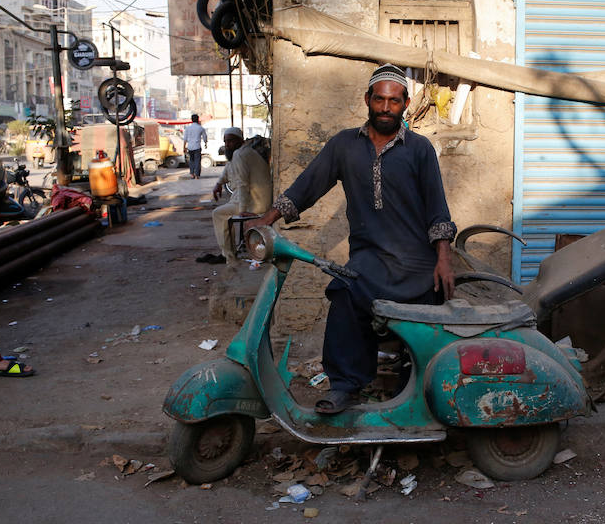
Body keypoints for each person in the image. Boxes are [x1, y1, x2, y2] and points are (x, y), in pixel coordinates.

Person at [248, 63, 456, 414]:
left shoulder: (420, 149)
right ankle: (345, 386)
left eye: (394, 101)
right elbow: (307, 186)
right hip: (369, 260)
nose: (386, 108)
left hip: (417, 263)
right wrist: (267, 220)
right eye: (379, 100)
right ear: (367, 100)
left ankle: (417, 392)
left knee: (426, 322)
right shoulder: (344, 145)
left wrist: (444, 259)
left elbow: (438, 208)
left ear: (405, 104)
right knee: (344, 294)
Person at [197, 128, 273, 265]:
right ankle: (228, 252)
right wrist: (219, 183)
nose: (227, 145)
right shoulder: (243, 152)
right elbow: (229, 169)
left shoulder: (240, 154)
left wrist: (243, 209)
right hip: (257, 199)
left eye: (231, 141)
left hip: (256, 203)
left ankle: (229, 257)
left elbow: (243, 184)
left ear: (240, 140)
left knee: (218, 214)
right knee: (224, 212)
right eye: (225, 142)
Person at [183, 114, 208, 179]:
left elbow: (185, 139)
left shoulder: (188, 128)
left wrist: (184, 147)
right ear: (198, 119)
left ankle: (192, 174)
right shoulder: (200, 128)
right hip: (197, 147)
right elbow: (205, 137)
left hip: (190, 147)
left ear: (191, 120)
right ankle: (197, 175)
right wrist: (205, 143)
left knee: (191, 160)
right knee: (197, 161)